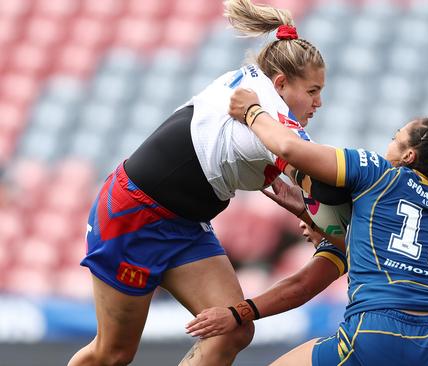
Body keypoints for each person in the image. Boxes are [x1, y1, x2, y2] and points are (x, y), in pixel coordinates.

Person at [216, 52, 428, 365]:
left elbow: (291, 148)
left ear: (409, 157)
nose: (387, 144)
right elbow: (372, 250)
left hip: (382, 330)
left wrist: (251, 111)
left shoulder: (379, 173)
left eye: (395, 138)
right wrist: (307, 212)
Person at [67, 0, 326, 365]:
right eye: (313, 91)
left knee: (233, 328)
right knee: (112, 354)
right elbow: (324, 176)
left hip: (183, 224)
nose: (319, 102)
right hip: (135, 215)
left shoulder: (255, 83)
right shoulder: (271, 116)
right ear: (281, 83)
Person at [187, 178, 428, 366]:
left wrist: (238, 313)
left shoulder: (374, 241)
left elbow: (302, 285)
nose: (305, 226)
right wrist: (306, 211)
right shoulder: (374, 236)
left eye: (314, 211)